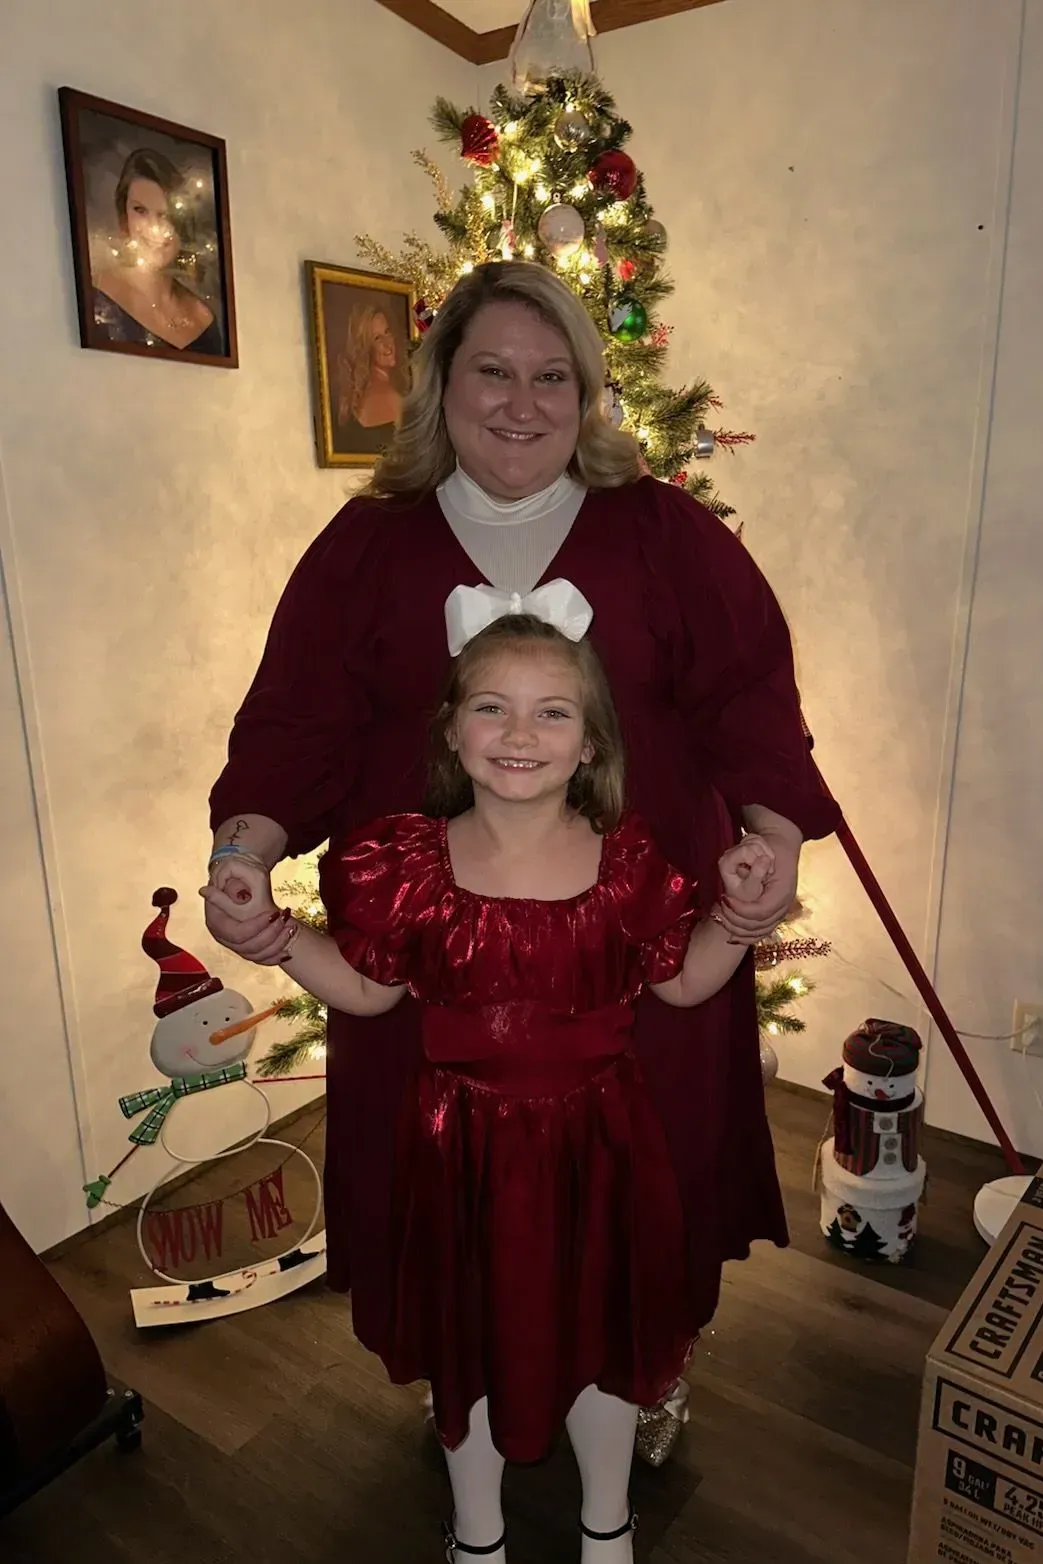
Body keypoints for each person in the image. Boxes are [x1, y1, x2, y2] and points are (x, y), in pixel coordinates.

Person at [205, 259, 841, 1467]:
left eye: (554, 376)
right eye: (491, 370)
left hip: (629, 938)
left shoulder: (666, 533)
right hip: (432, 960)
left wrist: (772, 839)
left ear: (590, 397)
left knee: (636, 1176)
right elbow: (293, 723)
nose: (521, 402)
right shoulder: (364, 545)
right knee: (447, 1176)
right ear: (440, 385)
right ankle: (469, 1373)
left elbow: (754, 697)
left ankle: (638, 1369)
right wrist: (247, 853)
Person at [205, 609, 776, 1564]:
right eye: (493, 708)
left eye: (552, 712)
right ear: (452, 729)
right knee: (466, 1349)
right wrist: (277, 940)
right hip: (461, 1149)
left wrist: (738, 911)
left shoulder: (628, 863)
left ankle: (609, 1528)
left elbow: (683, 983)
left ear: (590, 741)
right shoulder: (405, 865)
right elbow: (369, 988)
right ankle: (479, 1539)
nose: (520, 734)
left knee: (605, 1341)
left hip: (602, 1145)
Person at [92, 147, 223, 355]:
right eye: (140, 210)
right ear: (124, 215)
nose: (153, 227)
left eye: (164, 214)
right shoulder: (97, 298)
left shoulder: (203, 318)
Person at [332, 301, 408, 456]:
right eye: (378, 338)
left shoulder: (398, 383)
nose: (388, 344)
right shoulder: (383, 393)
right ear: (365, 347)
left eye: (388, 332)